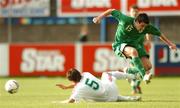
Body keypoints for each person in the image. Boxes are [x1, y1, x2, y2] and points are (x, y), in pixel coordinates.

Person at [93, 9, 177, 83]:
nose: (143, 28)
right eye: (142, 26)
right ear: (136, 22)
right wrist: (99, 18)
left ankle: (128, 70)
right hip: (120, 45)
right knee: (133, 52)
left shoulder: (147, 27)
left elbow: (159, 34)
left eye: (145, 26)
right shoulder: (125, 20)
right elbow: (112, 11)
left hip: (135, 46)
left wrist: (170, 44)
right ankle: (144, 76)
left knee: (148, 66)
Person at [56, 68, 141, 103]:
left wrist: (58, 102)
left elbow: (70, 101)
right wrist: (67, 87)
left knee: (89, 96)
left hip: (110, 99)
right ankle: (132, 76)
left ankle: (130, 96)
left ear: (72, 80)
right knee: (106, 74)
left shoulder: (79, 89)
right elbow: (78, 82)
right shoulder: (86, 74)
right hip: (112, 88)